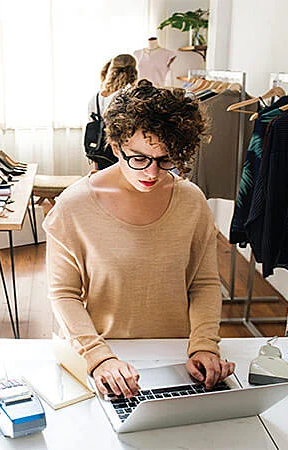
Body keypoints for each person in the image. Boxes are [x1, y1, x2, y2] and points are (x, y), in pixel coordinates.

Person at [46, 79, 234, 399]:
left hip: (179, 357)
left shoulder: (191, 201)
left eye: (165, 160)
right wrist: (98, 357)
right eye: (139, 158)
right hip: (107, 357)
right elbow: (63, 293)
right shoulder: (73, 206)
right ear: (117, 146)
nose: (151, 173)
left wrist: (204, 345)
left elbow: (203, 284)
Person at [85, 54, 139, 170]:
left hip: (100, 150)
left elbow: (93, 125)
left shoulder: (96, 97)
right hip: (120, 150)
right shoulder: (127, 94)